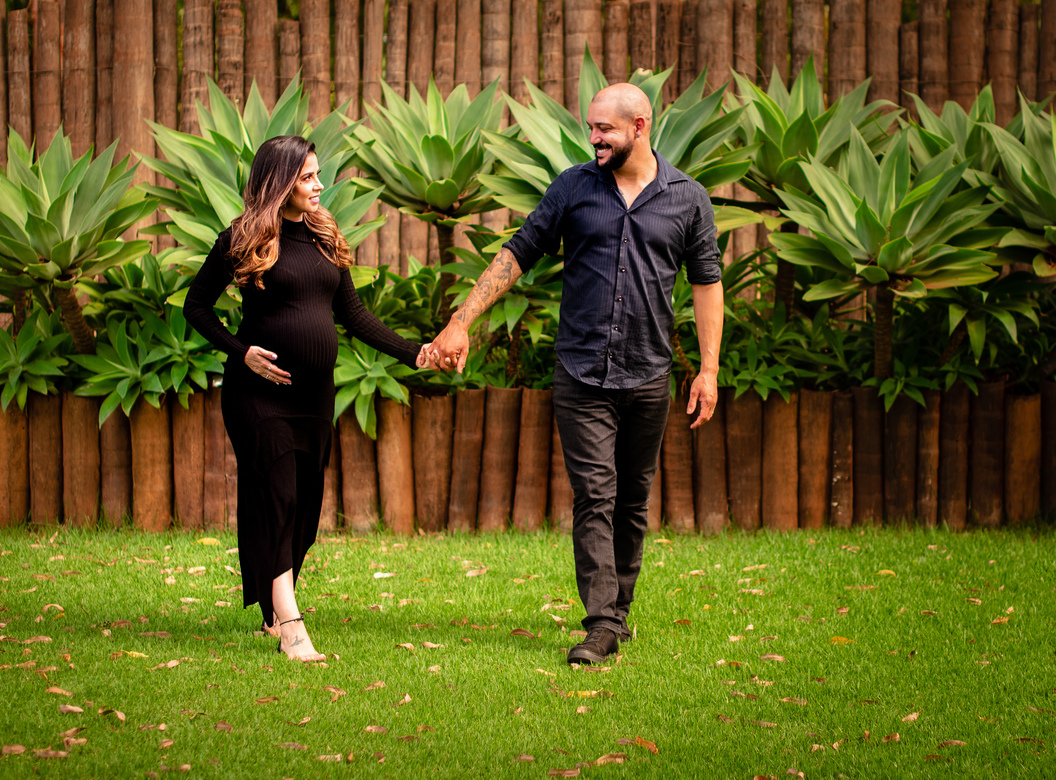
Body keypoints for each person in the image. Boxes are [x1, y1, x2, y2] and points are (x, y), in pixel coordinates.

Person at [428, 84, 723, 665]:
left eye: (604, 129)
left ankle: (618, 613)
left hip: (647, 373)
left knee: (632, 500)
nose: (594, 139)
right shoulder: (573, 187)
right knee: (595, 495)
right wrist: (461, 321)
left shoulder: (688, 198)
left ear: (639, 126)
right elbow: (518, 252)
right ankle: (602, 624)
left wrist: (707, 370)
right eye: (591, 128)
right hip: (581, 372)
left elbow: (707, 284)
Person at [184, 135, 430, 662]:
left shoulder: (324, 235)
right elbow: (196, 306)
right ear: (280, 183)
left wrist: (417, 354)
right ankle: (291, 626)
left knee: (304, 507)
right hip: (259, 395)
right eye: (307, 177)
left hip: (315, 397)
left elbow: (354, 316)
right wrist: (242, 352)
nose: (319, 186)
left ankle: (272, 608)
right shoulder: (242, 239)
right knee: (277, 496)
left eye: (317, 175)